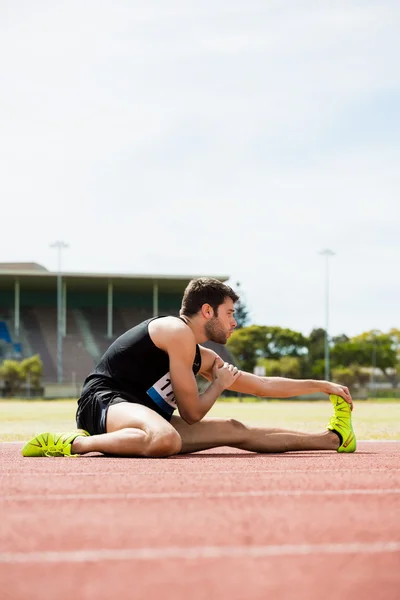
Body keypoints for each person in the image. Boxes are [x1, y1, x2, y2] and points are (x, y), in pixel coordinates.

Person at [21, 277, 356, 458]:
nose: (234, 323)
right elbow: (193, 413)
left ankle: (332, 439)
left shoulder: (202, 356)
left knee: (237, 429)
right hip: (105, 403)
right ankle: (71, 444)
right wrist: (218, 385)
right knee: (165, 439)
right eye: (230, 314)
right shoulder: (175, 331)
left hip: (142, 414)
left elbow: (263, 385)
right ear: (207, 311)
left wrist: (321, 385)